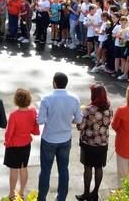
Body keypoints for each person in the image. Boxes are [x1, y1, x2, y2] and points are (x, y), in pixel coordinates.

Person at [37, 72, 82, 201]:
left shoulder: (47, 98)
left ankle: (42, 198)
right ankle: (61, 198)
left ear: (54, 82)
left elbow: (40, 121)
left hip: (49, 138)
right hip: (65, 139)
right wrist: (69, 121)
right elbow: (78, 120)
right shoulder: (74, 98)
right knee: (63, 170)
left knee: (45, 170)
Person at [76, 84, 112, 201]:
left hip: (89, 143)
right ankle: (95, 193)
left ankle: (86, 193)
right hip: (102, 143)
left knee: (87, 168)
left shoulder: (89, 110)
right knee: (98, 167)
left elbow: (80, 127)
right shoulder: (109, 108)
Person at [4, 88, 40, 200]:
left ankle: (11, 193)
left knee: (13, 170)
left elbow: (9, 132)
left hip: (14, 145)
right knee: (23, 168)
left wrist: (7, 142)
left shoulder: (14, 115)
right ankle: (21, 192)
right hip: (26, 144)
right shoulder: (33, 111)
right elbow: (35, 130)